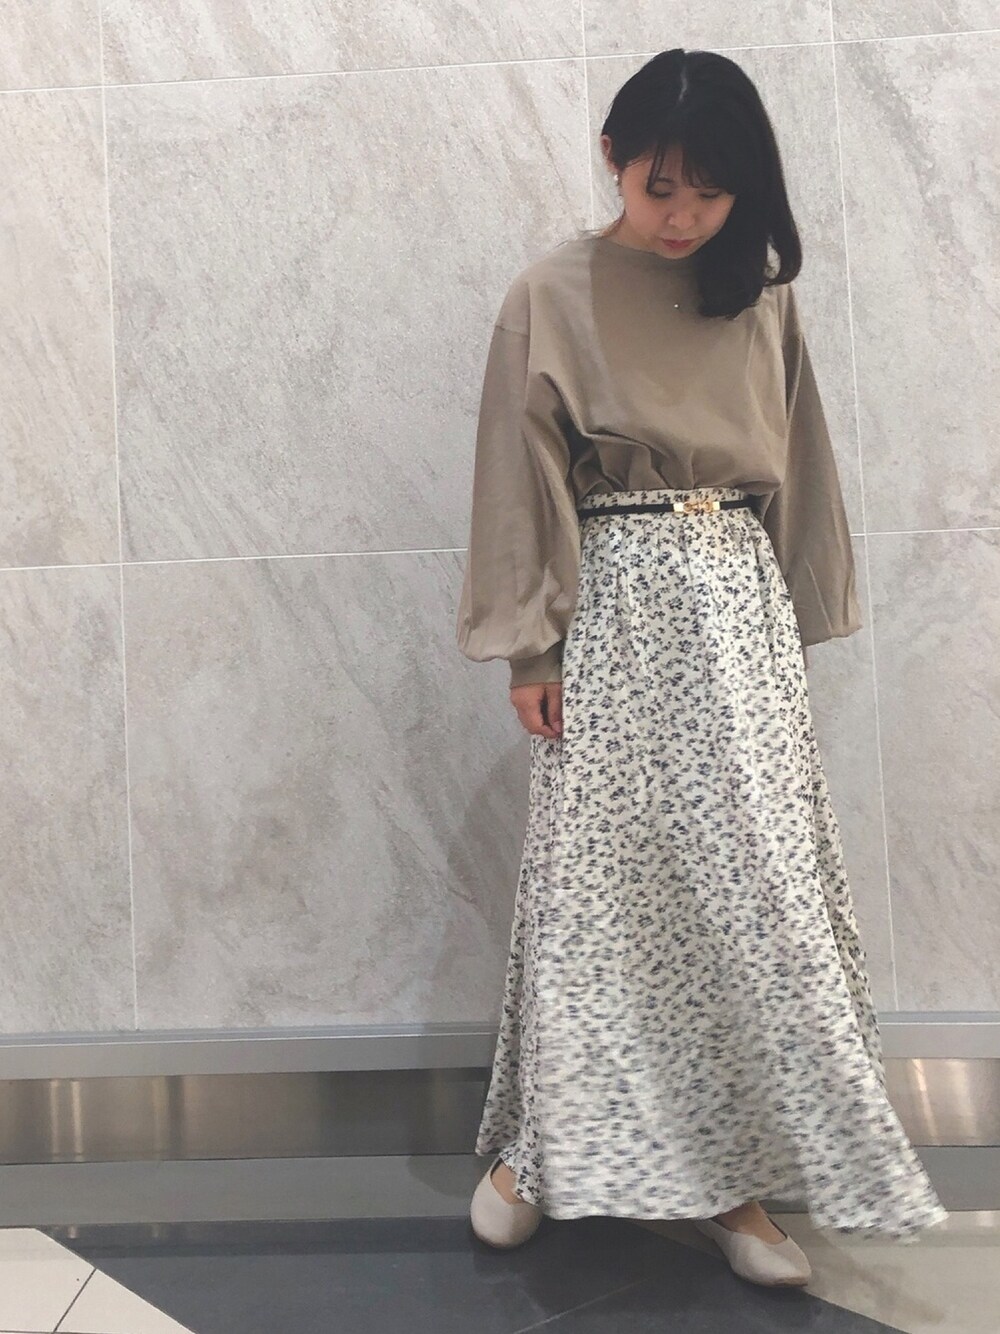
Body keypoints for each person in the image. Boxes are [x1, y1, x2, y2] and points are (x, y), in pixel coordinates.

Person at [455, 48, 949, 1287]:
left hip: (735, 609)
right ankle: (547, 1150)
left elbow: (804, 460)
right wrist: (531, 643)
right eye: (659, 185)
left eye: (711, 192)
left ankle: (737, 1183)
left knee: (747, 896)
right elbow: (518, 477)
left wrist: (796, 621)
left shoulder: (758, 294)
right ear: (611, 159)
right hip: (612, 606)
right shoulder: (551, 292)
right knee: (598, 890)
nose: (680, 216)